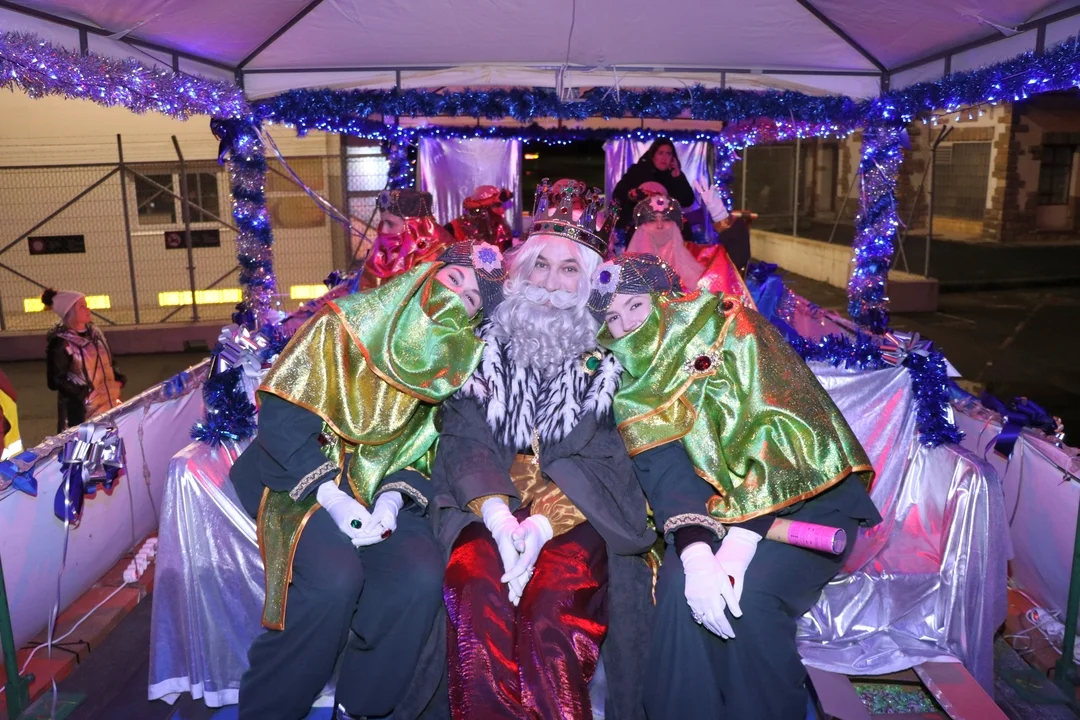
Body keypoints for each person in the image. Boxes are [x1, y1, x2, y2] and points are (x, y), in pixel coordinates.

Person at [590, 253, 882, 720]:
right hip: (713, 516)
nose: (625, 325)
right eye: (611, 317)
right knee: (678, 590)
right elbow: (667, 473)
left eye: (635, 306)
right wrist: (696, 554)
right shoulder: (629, 382)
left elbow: (783, 432)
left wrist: (742, 543)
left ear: (667, 299)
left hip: (805, 502)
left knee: (749, 600)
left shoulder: (731, 325)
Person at [230, 241, 505, 720]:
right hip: (296, 471)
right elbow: (283, 415)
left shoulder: (458, 365)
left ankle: (363, 706)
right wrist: (332, 498)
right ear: (427, 274)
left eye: (470, 298)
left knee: (419, 575)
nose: (456, 296)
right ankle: (270, 710)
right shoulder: (345, 320)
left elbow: (428, 450)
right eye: (453, 278)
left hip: (382, 489)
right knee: (334, 580)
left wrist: (392, 502)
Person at [432, 182, 656, 720]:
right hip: (490, 504)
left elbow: (611, 460)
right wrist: (498, 517)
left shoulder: (613, 354)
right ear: (520, 271)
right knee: (475, 585)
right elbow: (463, 436)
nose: (551, 284)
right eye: (540, 266)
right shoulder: (482, 344)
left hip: (580, 513)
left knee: (551, 609)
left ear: (590, 280)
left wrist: (540, 525)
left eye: (569, 269)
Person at [628, 194, 755, 307]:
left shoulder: (696, 254)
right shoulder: (628, 266)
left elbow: (736, 259)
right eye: (652, 220)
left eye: (666, 219)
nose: (660, 225)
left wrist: (723, 220)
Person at [42, 289, 125, 432]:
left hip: (110, 403)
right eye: (82, 306)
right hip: (82, 414)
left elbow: (108, 362)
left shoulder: (96, 334)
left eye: (86, 305)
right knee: (89, 445)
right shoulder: (61, 343)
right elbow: (55, 380)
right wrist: (83, 394)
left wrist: (117, 380)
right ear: (70, 312)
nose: (88, 309)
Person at [359, 189, 454, 289]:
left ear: (416, 228)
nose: (383, 230)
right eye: (382, 222)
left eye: (390, 224)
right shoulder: (381, 250)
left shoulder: (442, 258)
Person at [612, 139, 695, 245]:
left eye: (668, 154)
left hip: (665, 226)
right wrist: (631, 196)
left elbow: (687, 200)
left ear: (673, 158)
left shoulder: (674, 174)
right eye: (660, 153)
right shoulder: (637, 171)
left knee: (684, 229)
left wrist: (678, 178)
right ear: (653, 156)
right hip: (638, 224)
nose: (664, 158)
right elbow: (618, 194)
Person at [447, 185, 514, 250]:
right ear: (482, 210)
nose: (502, 210)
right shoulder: (455, 228)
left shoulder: (502, 230)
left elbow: (507, 255)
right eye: (497, 206)